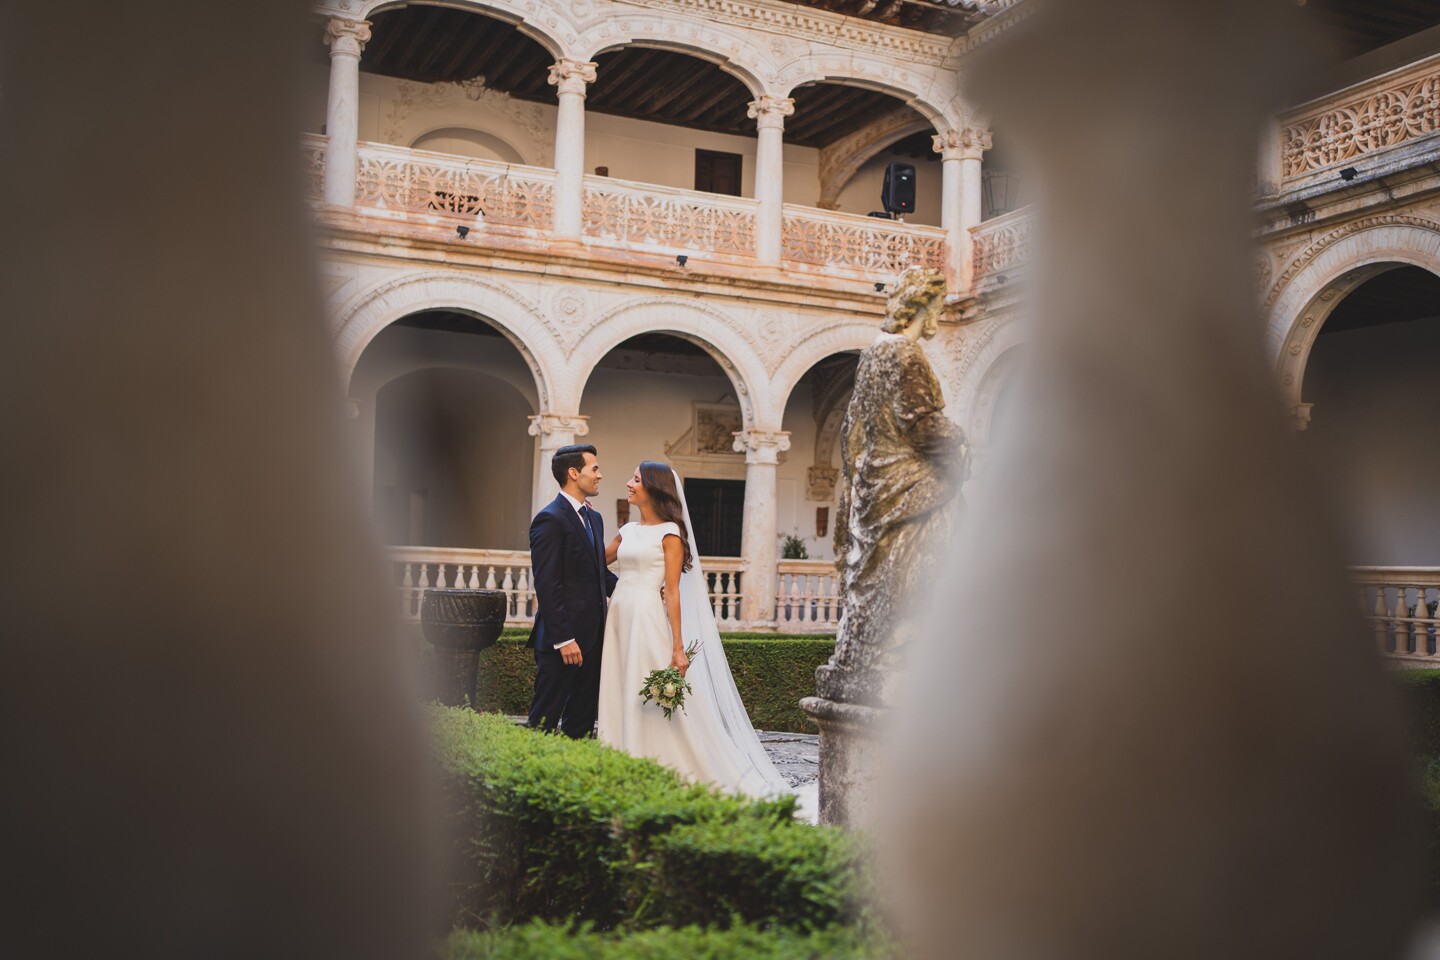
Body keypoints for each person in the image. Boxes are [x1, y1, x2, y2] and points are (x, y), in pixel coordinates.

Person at [596, 461, 800, 805]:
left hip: (647, 618)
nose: (628, 484)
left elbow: (673, 592)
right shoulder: (628, 529)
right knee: (619, 685)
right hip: (618, 615)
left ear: (654, 488)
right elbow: (597, 562)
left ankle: (657, 763)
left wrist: (678, 647)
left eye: (635, 479)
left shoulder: (670, 534)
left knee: (645, 691)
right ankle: (617, 759)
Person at [527, 444, 617, 737]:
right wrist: (564, 639)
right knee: (544, 722)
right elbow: (547, 584)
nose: (600, 475)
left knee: (581, 723)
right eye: (595, 469)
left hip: (593, 638)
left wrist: (643, 591)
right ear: (574, 473)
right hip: (561, 642)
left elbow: (599, 574)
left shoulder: (595, 518)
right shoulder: (549, 518)